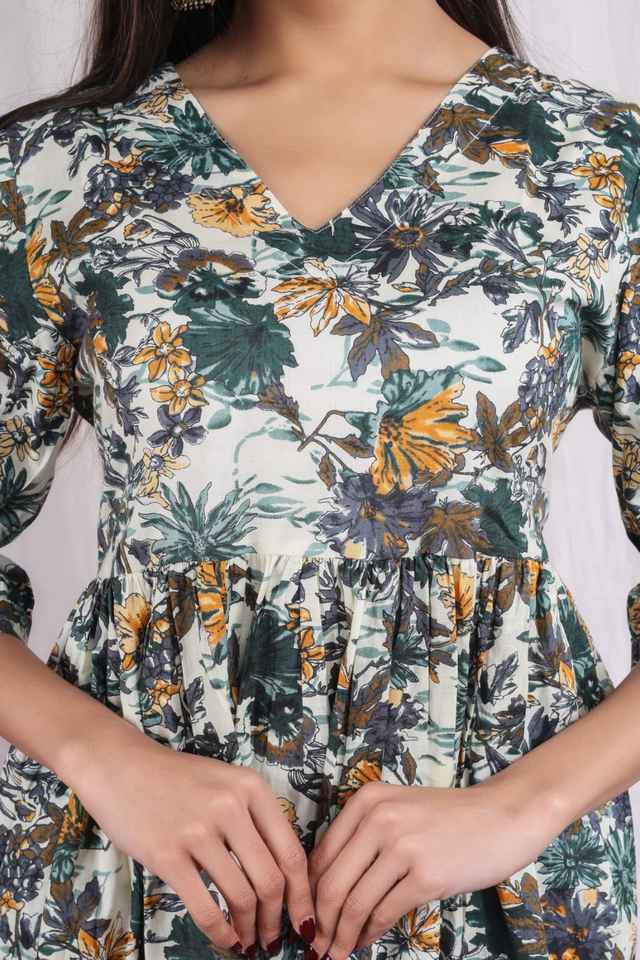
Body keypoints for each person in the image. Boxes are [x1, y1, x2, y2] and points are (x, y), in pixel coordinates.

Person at [1, 1, 640, 958]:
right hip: (148, 871)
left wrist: (523, 806)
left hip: (498, 872)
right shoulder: (59, 168)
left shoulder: (597, 163)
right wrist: (106, 762)